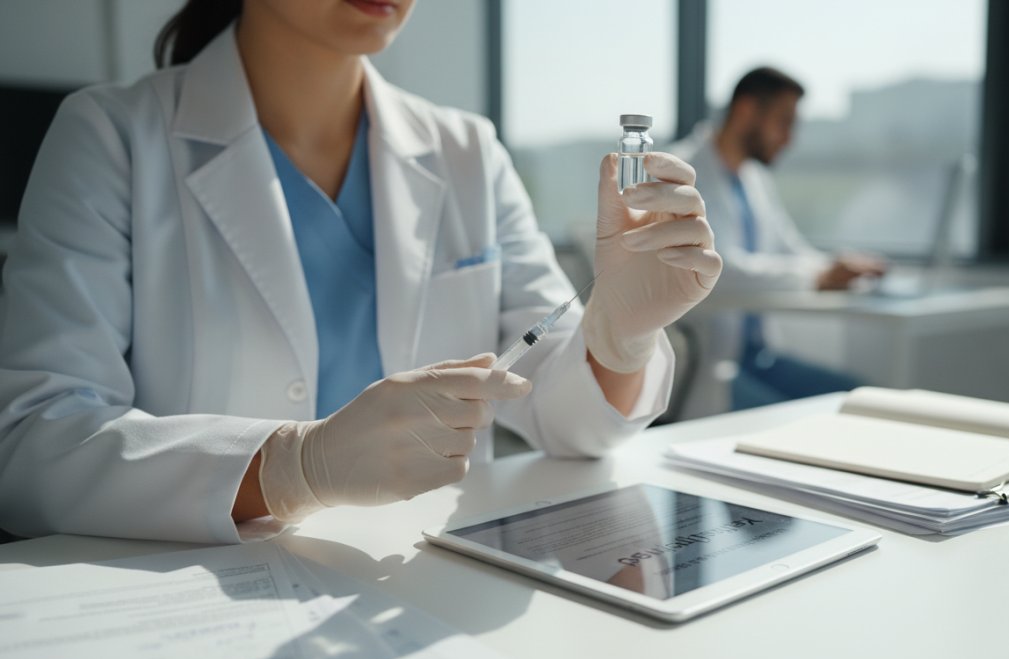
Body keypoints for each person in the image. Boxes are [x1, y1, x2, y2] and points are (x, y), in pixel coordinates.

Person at [0, 0, 721, 544]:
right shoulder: (112, 138)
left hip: (425, 583)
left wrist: (618, 337)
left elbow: (562, 415)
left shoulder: (467, 151)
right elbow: (33, 442)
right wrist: (292, 467)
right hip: (202, 601)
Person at [670, 66, 884, 418]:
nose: (789, 139)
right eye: (784, 122)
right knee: (812, 422)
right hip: (713, 366)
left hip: (759, 358)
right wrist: (816, 277)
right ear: (746, 110)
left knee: (860, 399)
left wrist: (840, 269)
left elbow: (790, 250)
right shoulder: (682, 173)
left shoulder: (753, 180)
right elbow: (717, 270)